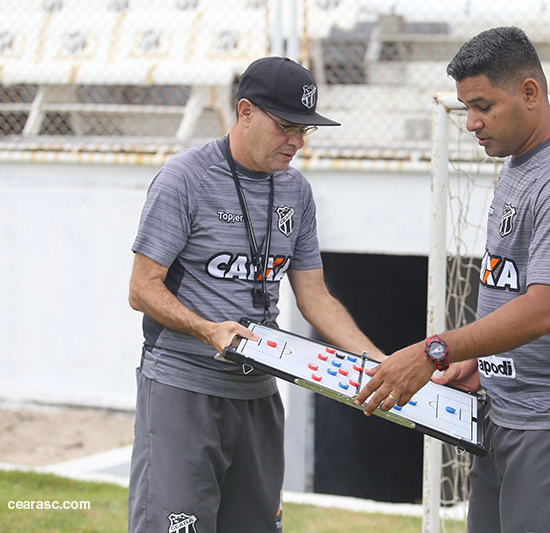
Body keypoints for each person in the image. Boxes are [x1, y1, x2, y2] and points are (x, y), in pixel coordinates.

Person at [355, 27, 550, 533]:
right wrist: (483, 360)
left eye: (483, 106)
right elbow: (511, 288)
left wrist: (434, 351)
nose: (470, 123)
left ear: (530, 92)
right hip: (506, 414)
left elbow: (544, 308)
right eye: (466, 108)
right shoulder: (518, 166)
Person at [127, 56, 383, 533]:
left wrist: (377, 362)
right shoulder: (184, 178)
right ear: (245, 112)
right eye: (286, 127)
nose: (298, 142)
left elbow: (315, 297)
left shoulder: (297, 191)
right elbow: (142, 289)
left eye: (305, 130)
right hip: (184, 388)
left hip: (260, 390)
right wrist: (208, 330)